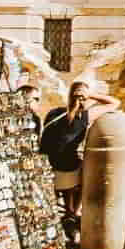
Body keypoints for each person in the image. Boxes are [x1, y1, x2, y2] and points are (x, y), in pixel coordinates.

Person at [39, 79, 117, 220]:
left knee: (70, 161)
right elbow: (115, 103)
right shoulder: (84, 117)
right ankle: (75, 210)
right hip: (66, 170)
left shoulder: (53, 113)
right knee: (88, 171)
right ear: (85, 97)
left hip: (48, 167)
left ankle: (68, 208)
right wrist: (91, 95)